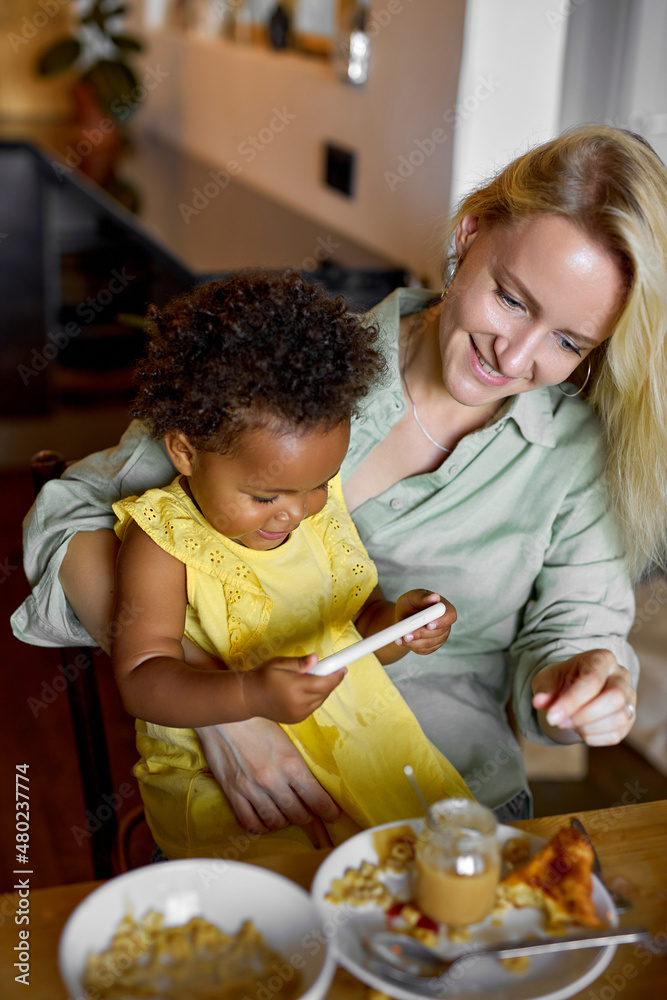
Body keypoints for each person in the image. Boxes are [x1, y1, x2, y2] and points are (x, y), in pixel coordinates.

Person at [13, 125, 667, 830]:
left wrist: (581, 688)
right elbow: (69, 515)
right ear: (470, 234)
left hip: (446, 799)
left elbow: (570, 632)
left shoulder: (573, 450)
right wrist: (222, 707)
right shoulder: (290, 374)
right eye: (510, 299)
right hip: (252, 807)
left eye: (567, 342)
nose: (514, 358)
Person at [100, 270, 472, 859]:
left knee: (421, 885)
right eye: (266, 497)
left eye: (320, 483)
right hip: (229, 784)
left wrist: (402, 626)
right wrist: (248, 697)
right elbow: (142, 678)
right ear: (186, 451)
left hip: (356, 741)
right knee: (290, 917)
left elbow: (355, 624)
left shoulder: (316, 510)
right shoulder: (164, 538)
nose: (296, 513)